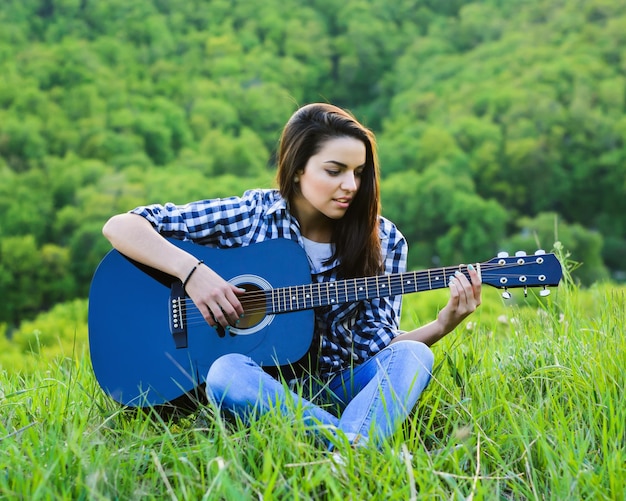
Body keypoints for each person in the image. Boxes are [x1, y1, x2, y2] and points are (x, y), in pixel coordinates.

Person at [102, 103, 482, 450]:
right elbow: (122, 226)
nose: (350, 186)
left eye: (359, 173)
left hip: (339, 386)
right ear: (298, 168)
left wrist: (443, 323)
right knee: (224, 372)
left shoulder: (383, 240)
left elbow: (380, 349)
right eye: (334, 171)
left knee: (413, 354)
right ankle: (357, 448)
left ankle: (347, 448)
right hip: (262, 388)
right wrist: (193, 273)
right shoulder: (253, 215)